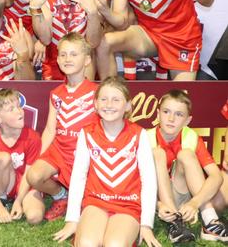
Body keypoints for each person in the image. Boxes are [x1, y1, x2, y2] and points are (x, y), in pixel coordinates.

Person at [54, 77, 159, 247]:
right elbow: (79, 176)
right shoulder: (87, 133)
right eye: (103, 99)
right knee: (87, 243)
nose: (109, 104)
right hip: (95, 202)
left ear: (128, 106)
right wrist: (72, 219)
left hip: (128, 205)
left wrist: (146, 224)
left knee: (114, 244)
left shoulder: (139, 135)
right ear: (95, 104)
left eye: (116, 99)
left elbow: (149, 181)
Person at [26, 33, 98, 221]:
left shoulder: (97, 93)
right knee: (34, 176)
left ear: (87, 60)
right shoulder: (56, 93)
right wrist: (39, 157)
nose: (67, 59)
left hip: (84, 155)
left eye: (74, 54)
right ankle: (60, 196)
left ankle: (80, 196)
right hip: (59, 152)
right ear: (57, 60)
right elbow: (50, 130)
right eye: (63, 55)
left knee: (90, 206)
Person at [148, 89, 228, 243]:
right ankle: (174, 224)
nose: (171, 118)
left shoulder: (191, 137)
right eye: (166, 112)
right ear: (158, 114)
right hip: (156, 198)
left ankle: (209, 221)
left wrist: (194, 202)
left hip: (183, 197)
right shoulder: (145, 138)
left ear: (187, 120)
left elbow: (216, 176)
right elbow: (134, 184)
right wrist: (158, 205)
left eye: (179, 114)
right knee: (157, 153)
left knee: (186, 154)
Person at [0, 88, 45, 224]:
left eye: (19, 106)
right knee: (3, 157)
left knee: (35, 217)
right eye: (11, 109)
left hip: (26, 183)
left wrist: (19, 201)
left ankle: (17, 202)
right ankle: (3, 201)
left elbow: (29, 173)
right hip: (5, 184)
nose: (19, 111)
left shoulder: (32, 137)